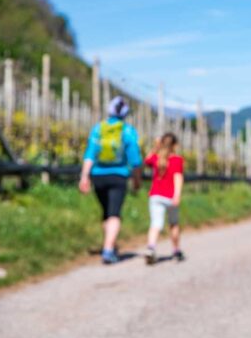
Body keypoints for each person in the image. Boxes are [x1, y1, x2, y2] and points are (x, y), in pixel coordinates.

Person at [79, 96, 142, 265]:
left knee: (106, 212)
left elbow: (90, 154)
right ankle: (108, 249)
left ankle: (109, 245)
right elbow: (135, 160)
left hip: (98, 175)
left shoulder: (98, 129)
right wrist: (137, 180)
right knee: (114, 214)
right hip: (118, 176)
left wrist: (84, 176)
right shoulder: (128, 131)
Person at [143, 133, 185, 265]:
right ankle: (176, 249)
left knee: (156, 224)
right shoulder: (177, 160)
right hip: (170, 197)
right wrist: (177, 195)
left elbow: (146, 159)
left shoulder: (156, 158)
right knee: (173, 224)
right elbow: (178, 177)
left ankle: (151, 248)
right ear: (175, 145)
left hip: (155, 196)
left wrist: (156, 146)